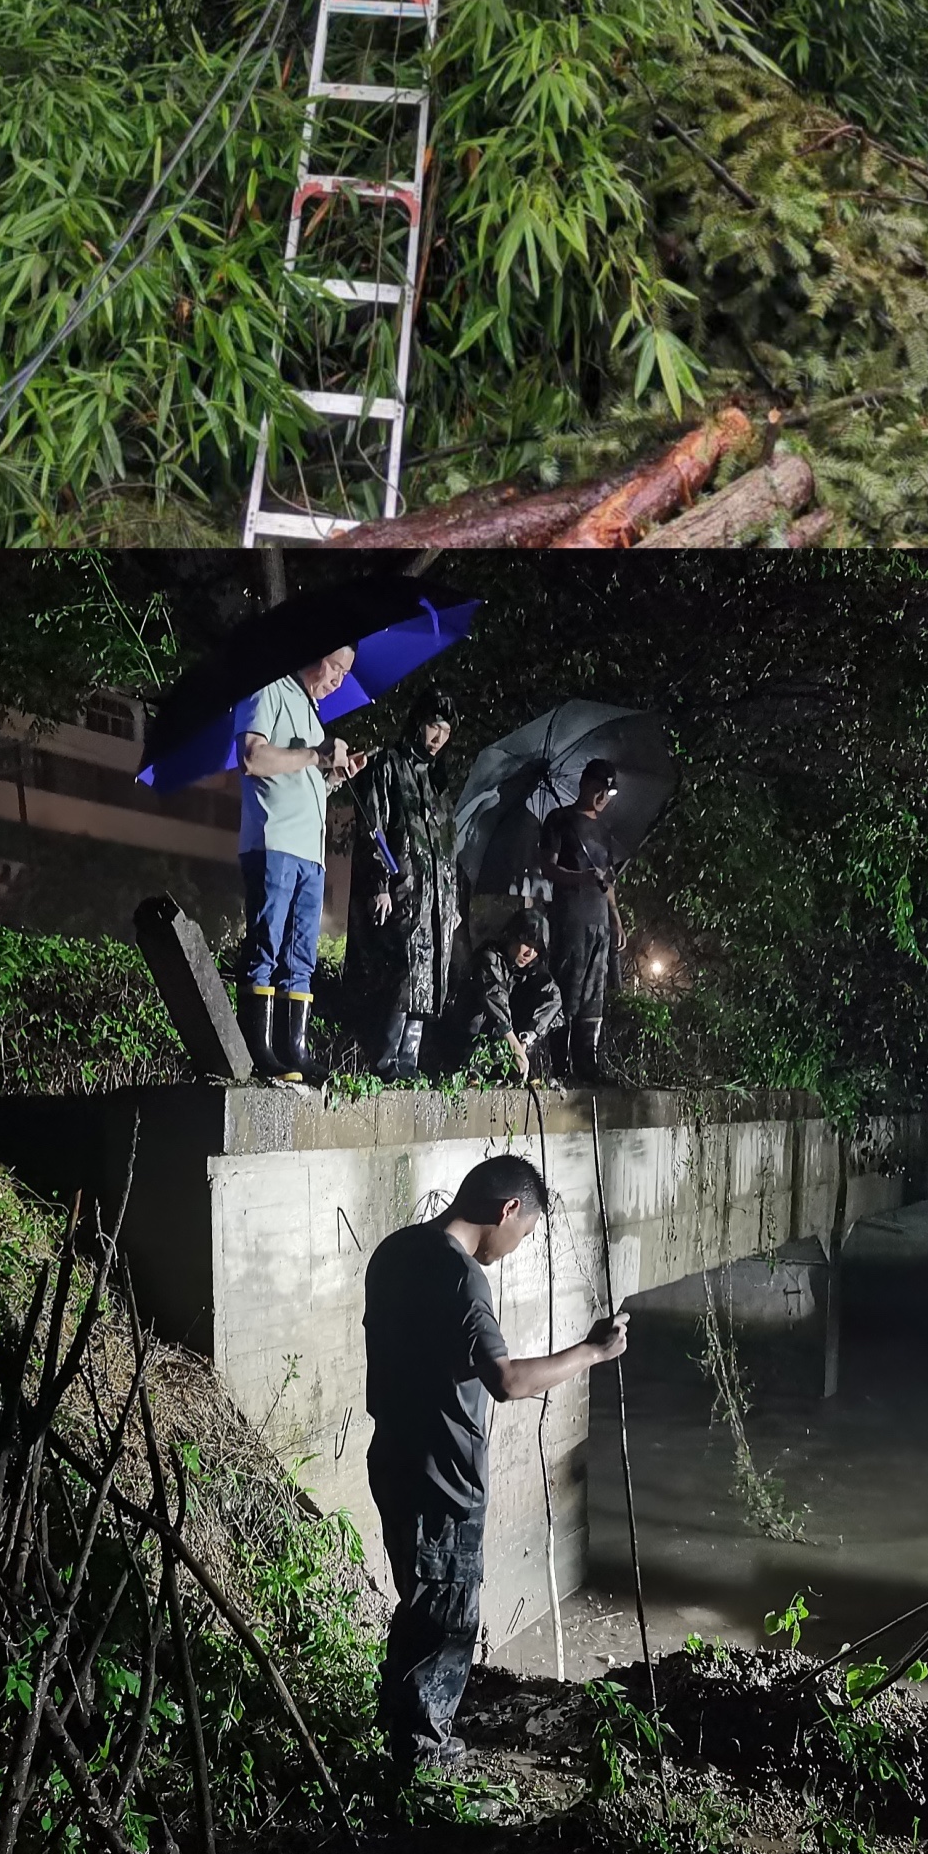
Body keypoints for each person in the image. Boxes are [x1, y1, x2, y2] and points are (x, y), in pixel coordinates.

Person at [361, 1153, 626, 1783]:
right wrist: (593, 1351)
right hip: (444, 1477)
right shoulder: (462, 1278)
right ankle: (422, 1759)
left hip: (393, 1458)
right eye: (524, 1233)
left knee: (420, 1601)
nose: (515, 1248)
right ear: (508, 1210)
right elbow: (505, 1380)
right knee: (447, 1613)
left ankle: (400, 1732)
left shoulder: (394, 1251)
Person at [237, 641, 364, 1084]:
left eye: (346, 674)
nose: (339, 680)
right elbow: (253, 758)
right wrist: (315, 754)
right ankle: (260, 1047)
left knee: (301, 956)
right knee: (265, 945)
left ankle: (295, 1050)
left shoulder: (312, 714)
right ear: (316, 653)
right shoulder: (267, 689)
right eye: (337, 668)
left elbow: (302, 783)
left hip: (312, 853)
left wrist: (331, 775)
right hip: (274, 844)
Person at [348, 708, 464, 1080]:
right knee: (402, 975)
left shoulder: (437, 779)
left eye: (446, 730)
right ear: (418, 722)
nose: (438, 738)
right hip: (404, 894)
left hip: (437, 900)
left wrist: (453, 900)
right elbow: (373, 827)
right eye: (434, 725)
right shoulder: (388, 765)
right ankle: (384, 1062)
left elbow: (449, 844)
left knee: (430, 979)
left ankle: (409, 1062)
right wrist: (380, 885)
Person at [539, 760, 627, 1084]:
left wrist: (616, 918)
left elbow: (609, 880)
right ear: (585, 784)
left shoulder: (604, 830)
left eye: (609, 790)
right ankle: (560, 1067)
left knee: (594, 994)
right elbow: (547, 868)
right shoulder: (559, 820)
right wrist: (581, 877)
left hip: (599, 922)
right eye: (599, 788)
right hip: (570, 918)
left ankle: (587, 1066)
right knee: (567, 991)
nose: (604, 796)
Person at [445, 908, 566, 1076]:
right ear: (512, 937)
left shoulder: (530, 969)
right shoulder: (489, 958)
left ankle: (512, 1068)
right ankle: (472, 1070)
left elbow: (553, 997)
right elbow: (494, 1000)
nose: (529, 953)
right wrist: (514, 1047)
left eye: (536, 948)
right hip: (466, 1041)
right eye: (527, 944)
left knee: (552, 1014)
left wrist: (526, 1041)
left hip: (505, 1043)